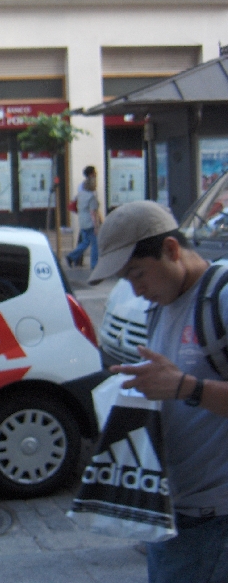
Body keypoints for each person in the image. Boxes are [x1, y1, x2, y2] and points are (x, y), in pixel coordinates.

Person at [90, 200, 228, 583]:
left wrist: (186, 387)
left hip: (215, 522)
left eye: (138, 274)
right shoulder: (158, 306)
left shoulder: (221, 296)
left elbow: (181, 388)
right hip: (169, 511)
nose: (136, 289)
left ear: (171, 250)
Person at [66, 165, 101, 269]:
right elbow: (93, 212)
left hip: (82, 221)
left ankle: (71, 256)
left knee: (85, 242)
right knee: (95, 243)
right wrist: (96, 226)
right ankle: (94, 264)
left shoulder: (80, 193)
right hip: (90, 222)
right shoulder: (92, 196)